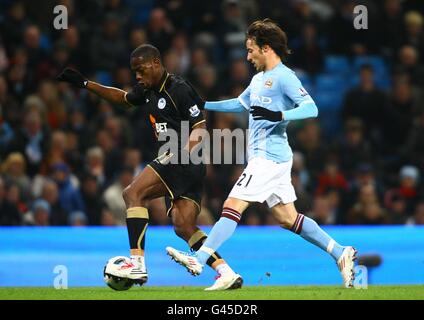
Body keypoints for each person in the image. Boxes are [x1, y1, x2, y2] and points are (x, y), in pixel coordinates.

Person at [166, 19, 358, 288]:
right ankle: (341, 252)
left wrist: (278, 114)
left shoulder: (285, 77)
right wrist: (203, 103)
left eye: (251, 50)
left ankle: (199, 258)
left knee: (232, 206)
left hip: (269, 156)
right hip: (271, 158)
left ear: (265, 48)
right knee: (286, 218)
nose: (247, 56)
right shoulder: (258, 80)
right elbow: (239, 104)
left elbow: (311, 108)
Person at [57, 44, 242, 290]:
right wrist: (85, 84)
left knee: (132, 193)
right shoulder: (147, 90)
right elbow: (123, 99)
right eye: (134, 72)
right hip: (187, 164)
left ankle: (137, 263)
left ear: (156, 63)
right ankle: (226, 272)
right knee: (183, 226)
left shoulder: (179, 89)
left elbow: (200, 127)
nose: (137, 76)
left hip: (182, 156)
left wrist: (183, 154)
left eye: (141, 70)